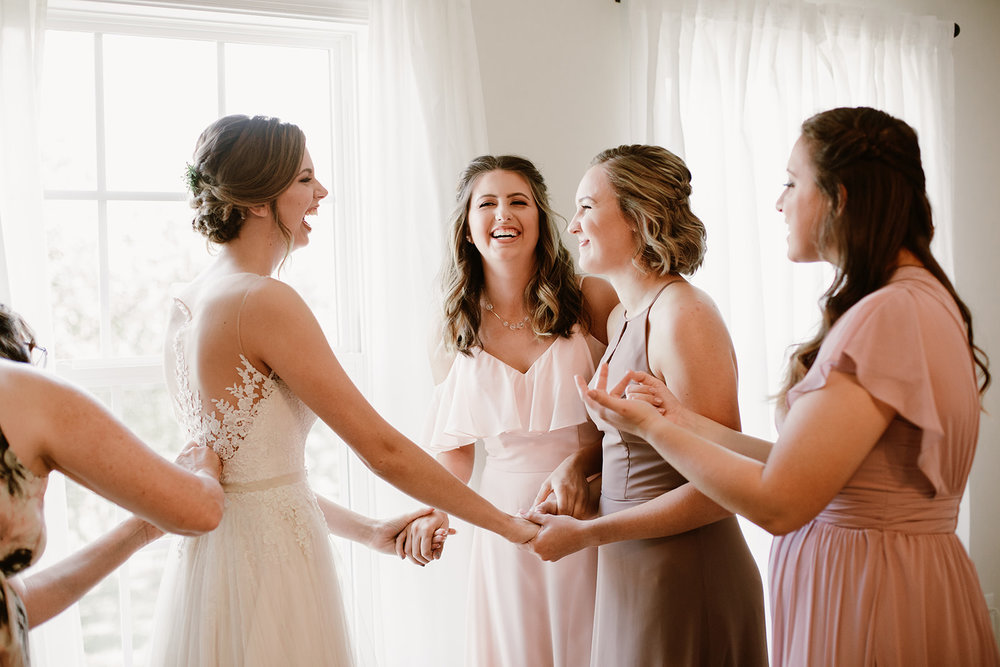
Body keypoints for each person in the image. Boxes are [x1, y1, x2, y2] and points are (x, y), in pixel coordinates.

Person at [578, 107, 1000, 666]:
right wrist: (681, 420)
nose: (779, 202)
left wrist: (653, 426)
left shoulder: (890, 314)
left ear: (839, 197)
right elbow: (802, 466)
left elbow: (779, 503)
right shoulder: (907, 302)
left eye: (791, 182)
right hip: (868, 580)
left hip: (871, 598)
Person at [148, 115, 537, 667]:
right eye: (306, 179)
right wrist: (508, 525)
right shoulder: (263, 301)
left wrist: (373, 531)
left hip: (212, 561)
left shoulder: (185, 304)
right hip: (270, 567)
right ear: (259, 201)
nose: (321, 192)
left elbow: (250, 478)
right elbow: (382, 449)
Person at [521, 145, 768, 666]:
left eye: (587, 207)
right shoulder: (620, 320)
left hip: (686, 570)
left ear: (639, 217)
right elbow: (640, 438)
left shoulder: (685, 315)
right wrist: (579, 464)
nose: (573, 226)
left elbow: (724, 487)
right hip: (629, 569)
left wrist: (590, 533)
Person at [401, 155, 617, 666]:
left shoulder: (592, 299)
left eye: (519, 201)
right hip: (501, 519)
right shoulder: (451, 327)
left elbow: (629, 416)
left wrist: (589, 469)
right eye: (488, 203)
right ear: (468, 228)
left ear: (541, 218)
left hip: (592, 502)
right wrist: (435, 509)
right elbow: (456, 451)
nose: (504, 213)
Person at [0, 303, 225, 665]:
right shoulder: (24, 391)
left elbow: (13, 606)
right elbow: (203, 510)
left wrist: (139, 531)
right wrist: (204, 470)